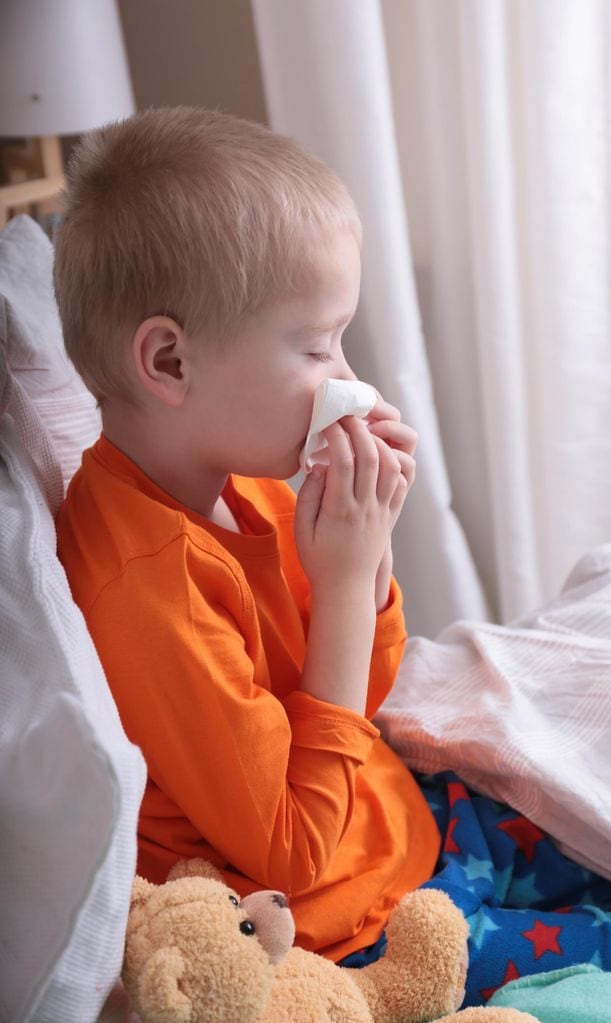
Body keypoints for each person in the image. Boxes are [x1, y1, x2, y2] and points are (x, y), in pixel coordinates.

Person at [54, 106, 440, 965]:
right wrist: (342, 585)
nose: (346, 376)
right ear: (170, 364)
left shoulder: (252, 479)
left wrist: (366, 554)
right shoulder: (147, 586)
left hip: (387, 841)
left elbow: (359, 694)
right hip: (325, 927)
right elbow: (292, 849)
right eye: (315, 347)